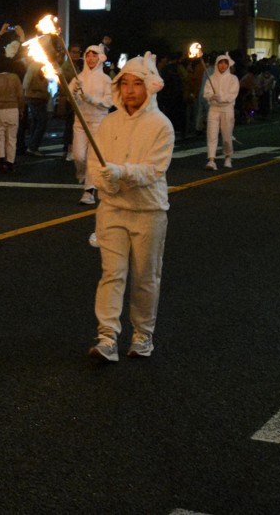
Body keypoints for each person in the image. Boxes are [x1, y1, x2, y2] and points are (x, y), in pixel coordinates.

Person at [86, 53, 174, 363]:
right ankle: (107, 336)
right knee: (112, 274)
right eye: (125, 84)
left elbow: (154, 169)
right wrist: (106, 182)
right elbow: (96, 163)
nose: (131, 90)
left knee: (145, 276)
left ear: (149, 87)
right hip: (112, 210)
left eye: (137, 84)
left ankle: (142, 335)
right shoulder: (109, 123)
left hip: (149, 212)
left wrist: (121, 173)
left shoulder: (161, 125)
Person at [70, 45, 113, 204]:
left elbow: (109, 102)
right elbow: (70, 99)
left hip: (98, 122)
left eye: (94, 56)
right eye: (88, 56)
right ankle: (82, 174)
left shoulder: (106, 79)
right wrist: (74, 94)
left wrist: (92, 100)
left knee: (92, 158)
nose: (90, 59)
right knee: (78, 156)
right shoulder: (77, 78)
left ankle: (88, 192)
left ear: (100, 58)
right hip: (80, 122)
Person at [204, 53, 239, 170]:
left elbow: (233, 94)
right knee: (211, 134)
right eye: (221, 63)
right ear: (217, 64)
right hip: (214, 109)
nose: (223, 66)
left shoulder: (233, 79)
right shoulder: (211, 78)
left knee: (226, 135)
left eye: (225, 63)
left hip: (227, 109)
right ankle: (211, 160)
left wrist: (222, 98)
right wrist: (212, 96)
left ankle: (228, 156)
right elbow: (206, 93)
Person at [20, 58, 51, 156]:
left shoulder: (36, 65)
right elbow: (26, 83)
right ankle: (33, 147)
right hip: (36, 97)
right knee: (42, 121)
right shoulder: (35, 66)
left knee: (36, 122)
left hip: (35, 97)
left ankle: (31, 145)